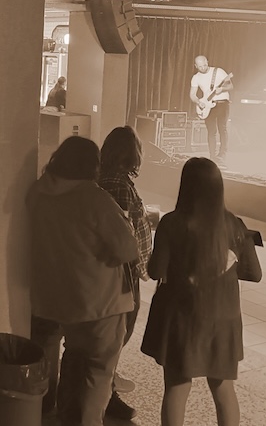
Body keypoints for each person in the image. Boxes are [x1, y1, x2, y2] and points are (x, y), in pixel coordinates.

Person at [141, 157, 262, 426]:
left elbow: (156, 271)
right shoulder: (234, 225)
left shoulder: (171, 223)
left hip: (183, 317)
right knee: (223, 388)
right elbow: (254, 273)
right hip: (223, 318)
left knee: (177, 386)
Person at [27, 136, 138, 426]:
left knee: (73, 358)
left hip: (56, 296)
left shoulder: (37, 191)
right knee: (97, 372)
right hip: (99, 302)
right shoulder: (95, 199)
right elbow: (127, 250)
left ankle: (62, 415)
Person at [98, 126, 152, 420]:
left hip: (111, 269)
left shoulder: (103, 180)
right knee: (119, 331)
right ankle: (107, 392)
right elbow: (123, 232)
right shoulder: (118, 185)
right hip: (123, 271)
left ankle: (106, 380)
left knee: (111, 332)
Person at [189, 56, 233, 162]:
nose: (203, 68)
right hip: (207, 105)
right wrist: (199, 102)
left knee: (222, 128)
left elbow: (231, 86)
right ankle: (212, 155)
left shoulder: (219, 71)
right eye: (200, 66)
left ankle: (222, 154)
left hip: (222, 102)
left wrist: (222, 89)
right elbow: (192, 94)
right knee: (211, 131)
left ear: (207, 62)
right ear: (196, 66)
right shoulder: (196, 77)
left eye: (205, 65)